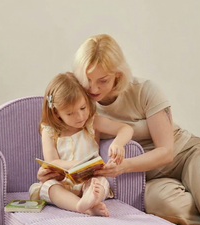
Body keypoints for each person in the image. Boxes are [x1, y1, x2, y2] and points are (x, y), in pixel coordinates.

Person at [38, 34, 200, 225]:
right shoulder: (82, 106)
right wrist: (53, 171)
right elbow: (62, 136)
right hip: (148, 175)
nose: (93, 88)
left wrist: (123, 166)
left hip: (185, 154)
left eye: (103, 80)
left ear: (117, 75)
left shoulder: (145, 91)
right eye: (87, 79)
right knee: (162, 207)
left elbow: (166, 152)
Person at [29, 72, 133, 217]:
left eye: (83, 108)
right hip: (63, 184)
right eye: (70, 114)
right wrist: (77, 164)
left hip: (89, 181)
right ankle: (83, 207)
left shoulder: (92, 123)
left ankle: (90, 199)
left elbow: (126, 128)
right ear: (57, 113)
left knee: (100, 182)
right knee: (49, 187)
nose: (80, 117)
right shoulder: (49, 131)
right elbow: (52, 161)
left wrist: (118, 144)